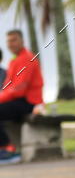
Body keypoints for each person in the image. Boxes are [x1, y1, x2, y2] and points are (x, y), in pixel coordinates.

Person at [0, 30, 44, 165]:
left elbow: (18, 90)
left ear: (22, 41)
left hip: (28, 102)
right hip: (17, 102)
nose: (11, 44)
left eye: (14, 40)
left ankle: (7, 150)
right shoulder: (14, 61)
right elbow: (7, 88)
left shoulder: (27, 58)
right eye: (8, 41)